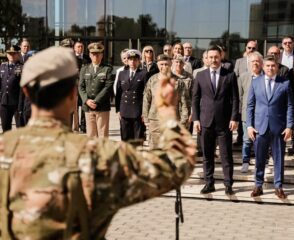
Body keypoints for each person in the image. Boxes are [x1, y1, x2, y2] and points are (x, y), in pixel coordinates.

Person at [0, 46, 195, 239]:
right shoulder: (97, 155)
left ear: (25, 92)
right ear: (73, 93)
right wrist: (168, 112)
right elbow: (177, 165)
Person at [192, 46, 239, 195]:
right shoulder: (200, 75)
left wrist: (234, 118)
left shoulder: (230, 75)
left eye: (216, 57)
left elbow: (235, 99)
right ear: (206, 59)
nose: (213, 60)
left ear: (221, 57)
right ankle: (209, 183)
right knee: (207, 156)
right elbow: (195, 99)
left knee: (226, 156)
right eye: (210, 57)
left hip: (224, 123)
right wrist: (196, 119)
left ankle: (228, 184)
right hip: (205, 122)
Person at [247, 56, 293, 198]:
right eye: (267, 66)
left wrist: (289, 126)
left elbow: (290, 106)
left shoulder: (285, 83)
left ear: (277, 67)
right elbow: (250, 106)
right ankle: (258, 185)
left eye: (273, 66)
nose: (270, 68)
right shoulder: (255, 83)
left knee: (278, 159)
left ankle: (278, 186)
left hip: (278, 128)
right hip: (260, 127)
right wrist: (249, 125)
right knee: (260, 158)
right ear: (263, 67)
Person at [143, 54, 189, 149]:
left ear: (171, 64)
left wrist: (184, 120)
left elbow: (184, 101)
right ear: (158, 65)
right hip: (155, 119)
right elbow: (146, 99)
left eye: (166, 64)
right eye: (161, 64)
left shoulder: (178, 82)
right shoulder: (152, 80)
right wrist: (146, 117)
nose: (164, 67)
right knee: (155, 147)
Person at [79, 42, 113, 138]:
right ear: (90, 55)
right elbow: (81, 87)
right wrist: (86, 100)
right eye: (93, 54)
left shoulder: (107, 69)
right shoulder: (84, 69)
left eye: (98, 54)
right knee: (91, 136)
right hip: (88, 107)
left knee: (103, 135)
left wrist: (96, 101)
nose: (95, 56)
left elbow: (108, 87)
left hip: (102, 106)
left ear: (101, 55)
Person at [239, 51, 263, 173]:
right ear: (249, 63)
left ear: (261, 63)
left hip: (261, 115)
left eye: (257, 61)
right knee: (247, 140)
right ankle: (245, 161)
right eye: (253, 61)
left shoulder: (265, 77)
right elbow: (239, 96)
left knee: (261, 140)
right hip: (246, 114)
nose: (255, 63)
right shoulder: (243, 77)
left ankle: (262, 162)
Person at [115, 50, 147, 141]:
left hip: (137, 110)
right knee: (125, 137)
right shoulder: (122, 74)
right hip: (124, 110)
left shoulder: (143, 74)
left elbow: (146, 94)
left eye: (135, 60)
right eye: (130, 60)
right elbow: (119, 93)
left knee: (137, 138)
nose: (132, 62)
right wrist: (118, 110)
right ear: (127, 61)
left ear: (139, 61)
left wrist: (144, 112)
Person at [0, 45, 24, 132]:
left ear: (18, 54)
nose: (11, 55)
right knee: (5, 129)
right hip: (4, 103)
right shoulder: (2, 66)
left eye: (14, 54)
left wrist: (21, 105)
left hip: (16, 103)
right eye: (9, 54)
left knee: (20, 129)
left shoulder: (22, 67)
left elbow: (23, 88)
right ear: (7, 55)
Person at [172, 54, 193, 129]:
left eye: (181, 62)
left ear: (184, 64)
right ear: (173, 63)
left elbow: (193, 95)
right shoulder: (169, 76)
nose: (179, 64)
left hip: (185, 112)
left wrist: (192, 112)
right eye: (177, 62)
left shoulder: (190, 77)